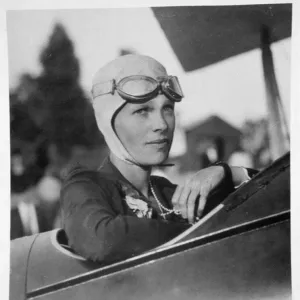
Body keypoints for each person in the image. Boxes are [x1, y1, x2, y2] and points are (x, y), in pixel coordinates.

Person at [60, 55, 258, 264]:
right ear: (109, 122)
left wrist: (226, 172)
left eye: (167, 109)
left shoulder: (168, 193)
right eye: (142, 110)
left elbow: (276, 201)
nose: (162, 124)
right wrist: (199, 233)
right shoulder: (85, 186)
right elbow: (99, 240)